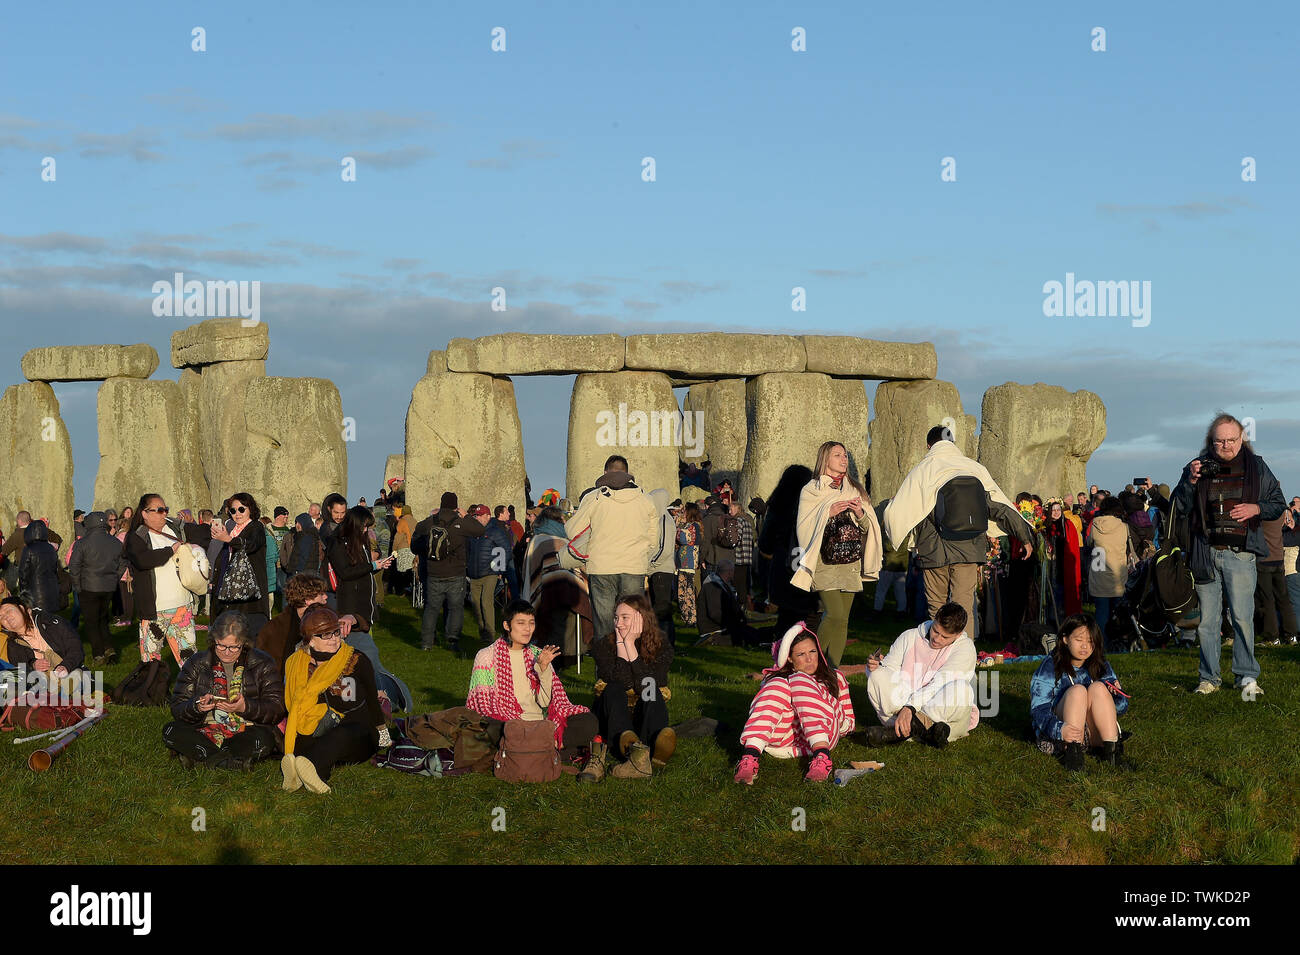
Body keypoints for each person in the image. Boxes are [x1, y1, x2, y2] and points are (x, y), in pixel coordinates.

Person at [1172, 413, 1284, 696]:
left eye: (1231, 440)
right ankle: (1209, 678)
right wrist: (1191, 481)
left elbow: (1278, 503)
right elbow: (1178, 506)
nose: (1226, 445)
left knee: (1243, 618)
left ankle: (1246, 676)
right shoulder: (1196, 467)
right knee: (1208, 622)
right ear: (1212, 441)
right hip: (1205, 554)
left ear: (1242, 438)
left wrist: (1255, 509)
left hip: (1241, 554)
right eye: (1220, 440)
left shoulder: (1256, 466)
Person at [882, 426, 1033, 625]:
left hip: (933, 550)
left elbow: (896, 511)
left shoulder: (924, 469)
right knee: (964, 609)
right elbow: (1001, 507)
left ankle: (941, 653)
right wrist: (1024, 537)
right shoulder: (974, 468)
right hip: (969, 547)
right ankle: (965, 655)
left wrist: (901, 539)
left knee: (937, 609)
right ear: (953, 443)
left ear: (929, 445)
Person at [466, 599, 600, 778]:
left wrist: (543, 669)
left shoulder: (538, 654)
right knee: (487, 726)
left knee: (588, 721)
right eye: (520, 623)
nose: (527, 629)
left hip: (541, 724)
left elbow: (546, 703)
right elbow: (482, 707)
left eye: (531, 623)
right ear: (507, 625)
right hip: (508, 724)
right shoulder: (486, 656)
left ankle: (521, 750)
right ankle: (549, 751)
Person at [790, 441, 884, 666]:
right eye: (837, 455)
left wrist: (860, 513)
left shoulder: (855, 489)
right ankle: (813, 665)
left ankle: (832, 668)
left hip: (849, 561)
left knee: (843, 620)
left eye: (845, 456)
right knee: (833, 613)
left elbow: (867, 527)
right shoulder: (812, 489)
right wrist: (828, 512)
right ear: (825, 459)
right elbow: (804, 526)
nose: (844, 459)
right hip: (825, 561)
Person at [281, 605, 388, 794]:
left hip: (358, 731)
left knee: (340, 735)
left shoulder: (355, 660)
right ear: (310, 640)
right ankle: (298, 769)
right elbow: (293, 705)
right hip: (317, 726)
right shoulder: (296, 663)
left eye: (336, 632)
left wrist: (384, 737)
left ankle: (315, 771)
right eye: (325, 635)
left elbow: (372, 699)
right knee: (305, 737)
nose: (334, 639)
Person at [733, 622, 855, 785]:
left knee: (799, 679)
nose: (810, 658)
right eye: (801, 654)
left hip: (825, 734)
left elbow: (850, 723)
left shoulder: (835, 677)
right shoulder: (781, 681)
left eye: (813, 651)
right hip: (786, 737)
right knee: (779, 683)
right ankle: (750, 758)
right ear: (789, 658)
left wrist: (827, 704)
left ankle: (823, 758)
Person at [163, 611, 285, 770]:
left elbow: (277, 708)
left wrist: (245, 707)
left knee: (263, 739)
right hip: (205, 727)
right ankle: (229, 760)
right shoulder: (197, 663)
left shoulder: (262, 663)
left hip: (247, 728)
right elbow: (178, 706)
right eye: (221, 645)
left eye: (234, 647)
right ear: (213, 640)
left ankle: (205, 755)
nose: (227, 652)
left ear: (244, 643)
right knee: (170, 730)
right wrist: (197, 706)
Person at [564, 455, 659, 641]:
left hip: (602, 566)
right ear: (628, 473)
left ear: (605, 472)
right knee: (631, 624)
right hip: (633, 565)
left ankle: (606, 667)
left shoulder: (594, 497)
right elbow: (653, 540)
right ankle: (631, 665)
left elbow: (572, 530)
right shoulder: (645, 499)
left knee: (605, 625)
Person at [586, 593, 675, 781]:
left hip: (644, 711)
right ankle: (624, 745)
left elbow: (651, 682)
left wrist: (631, 649)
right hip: (614, 716)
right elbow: (623, 682)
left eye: (625, 618)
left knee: (650, 687)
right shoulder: (603, 646)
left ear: (641, 618)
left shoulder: (662, 645)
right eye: (616, 618)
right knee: (613, 688)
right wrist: (623, 644)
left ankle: (655, 745)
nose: (619, 624)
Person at [864, 602, 978, 747]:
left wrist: (910, 708)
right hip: (903, 707)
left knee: (962, 689)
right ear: (934, 620)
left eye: (945, 637)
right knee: (877, 675)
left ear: (958, 634)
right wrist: (876, 667)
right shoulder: (909, 636)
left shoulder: (965, 648)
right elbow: (890, 669)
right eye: (935, 631)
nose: (937, 639)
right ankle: (928, 732)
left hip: (936, 707)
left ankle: (896, 733)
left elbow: (939, 683)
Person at [1029, 614, 1130, 771]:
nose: (1085, 646)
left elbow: (1121, 708)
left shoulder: (1100, 663)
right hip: (1063, 733)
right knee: (1078, 691)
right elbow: (1038, 709)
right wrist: (1060, 729)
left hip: (1091, 732)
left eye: (1090, 641)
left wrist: (1116, 695)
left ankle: (1112, 752)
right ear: (1065, 639)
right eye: (1079, 640)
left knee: (1098, 688)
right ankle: (1073, 753)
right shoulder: (1050, 666)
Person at [125, 493, 216, 664]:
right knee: (150, 661)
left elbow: (203, 535)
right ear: (145, 513)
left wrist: (200, 526)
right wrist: (170, 550)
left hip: (182, 605)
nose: (164, 513)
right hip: (154, 610)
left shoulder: (174, 527)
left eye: (165, 509)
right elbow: (142, 560)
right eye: (159, 510)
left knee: (189, 659)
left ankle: (192, 690)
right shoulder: (137, 536)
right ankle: (153, 690)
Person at [411, 493, 485, 654]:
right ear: (455, 506)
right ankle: (452, 640)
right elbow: (480, 530)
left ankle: (426, 643)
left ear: (441, 504)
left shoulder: (431, 521)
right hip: (455, 572)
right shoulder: (460, 522)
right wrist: (466, 517)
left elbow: (417, 530)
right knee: (455, 608)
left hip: (434, 572)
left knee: (431, 608)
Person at [757, 465, 819, 634]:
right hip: (806, 565)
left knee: (787, 618)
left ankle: (783, 652)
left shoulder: (778, 507)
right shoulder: (813, 507)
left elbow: (765, 543)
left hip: (782, 564)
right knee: (807, 617)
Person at [210, 493, 271, 634]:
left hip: (250, 599)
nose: (237, 514)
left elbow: (250, 545)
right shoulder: (234, 531)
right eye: (233, 510)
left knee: (249, 640)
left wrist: (229, 540)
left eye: (241, 509)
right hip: (233, 596)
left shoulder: (256, 527)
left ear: (251, 509)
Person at [68, 511, 124, 665]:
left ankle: (98, 654)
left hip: (88, 586)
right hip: (108, 587)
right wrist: (115, 577)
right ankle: (109, 648)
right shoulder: (115, 542)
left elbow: (74, 566)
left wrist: (77, 586)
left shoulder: (82, 543)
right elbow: (124, 562)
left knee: (92, 622)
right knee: (102, 618)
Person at [326, 506, 394, 631]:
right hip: (348, 603)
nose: (365, 530)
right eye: (364, 526)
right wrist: (372, 566)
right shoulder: (338, 543)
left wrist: (379, 566)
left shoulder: (361, 540)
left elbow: (363, 568)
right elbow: (345, 573)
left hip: (364, 604)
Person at [0, 596, 85, 678]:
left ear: (21, 608)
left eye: (8, 610)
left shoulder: (50, 622)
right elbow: (20, 671)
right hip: (42, 686)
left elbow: (75, 648)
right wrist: (33, 665)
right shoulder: (13, 644)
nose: (6, 617)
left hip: (71, 672)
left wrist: (66, 666)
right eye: (1, 617)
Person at [697, 559, 774, 647]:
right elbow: (715, 614)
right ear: (729, 572)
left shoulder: (722, 584)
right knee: (748, 637)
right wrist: (734, 623)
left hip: (724, 627)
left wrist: (739, 619)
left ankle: (771, 635)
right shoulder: (712, 586)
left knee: (754, 632)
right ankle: (711, 641)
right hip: (714, 630)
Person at [1086, 496, 1131, 634]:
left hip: (1099, 575)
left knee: (1101, 614)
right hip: (1118, 576)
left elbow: (1088, 543)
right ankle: (1117, 643)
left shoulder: (1095, 525)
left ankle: (1101, 644)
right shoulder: (1123, 527)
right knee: (1118, 614)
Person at [1254, 512, 1297, 646]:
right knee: (1284, 599)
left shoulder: (1261, 514)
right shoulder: (1281, 513)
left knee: (1267, 600)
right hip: (1279, 559)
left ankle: (1272, 637)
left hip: (1264, 559)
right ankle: (1291, 635)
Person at [646, 489, 678, 646]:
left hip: (661, 570)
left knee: (661, 609)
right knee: (660, 608)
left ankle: (665, 643)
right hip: (658, 569)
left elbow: (663, 549)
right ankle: (664, 642)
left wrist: (650, 563)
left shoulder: (664, 520)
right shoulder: (660, 519)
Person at [18, 520, 64, 613]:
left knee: (37, 620)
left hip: (35, 591)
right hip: (52, 589)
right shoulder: (51, 548)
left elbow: (23, 573)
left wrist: (23, 591)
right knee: (50, 621)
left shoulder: (28, 549)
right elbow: (54, 568)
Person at [674, 502, 703, 627]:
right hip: (682, 562)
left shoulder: (694, 525)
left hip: (689, 561)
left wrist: (678, 529)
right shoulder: (687, 525)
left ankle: (691, 618)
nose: (683, 513)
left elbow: (684, 539)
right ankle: (685, 616)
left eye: (685, 511)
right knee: (681, 590)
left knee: (689, 590)